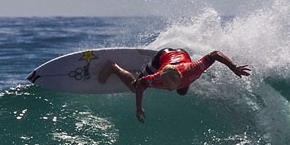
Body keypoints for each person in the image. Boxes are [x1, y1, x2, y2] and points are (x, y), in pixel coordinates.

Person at [97, 48, 250, 123]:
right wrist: (138, 107)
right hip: (162, 57)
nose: (167, 88)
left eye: (170, 85)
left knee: (181, 92)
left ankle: (145, 69)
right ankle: (113, 67)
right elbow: (141, 84)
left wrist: (233, 67)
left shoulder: (194, 70)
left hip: (182, 56)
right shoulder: (157, 78)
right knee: (133, 85)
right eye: (164, 84)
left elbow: (215, 54)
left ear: (179, 78)